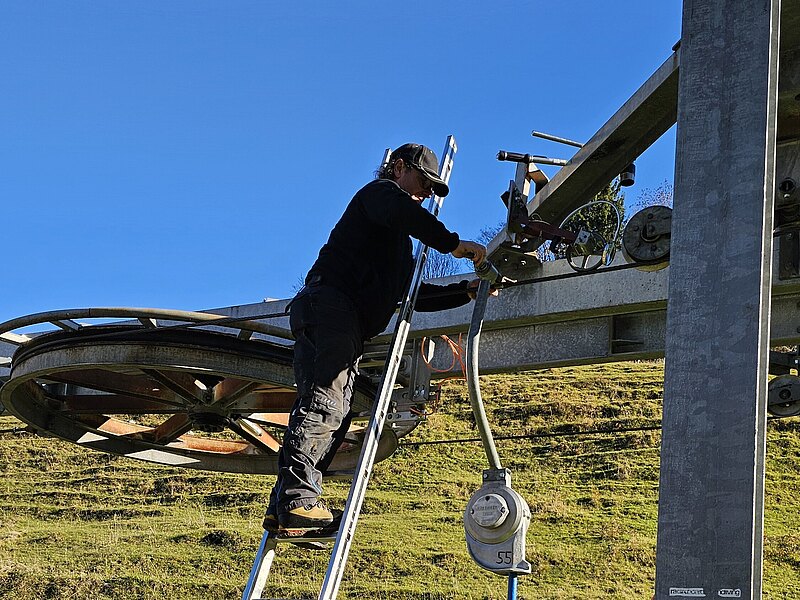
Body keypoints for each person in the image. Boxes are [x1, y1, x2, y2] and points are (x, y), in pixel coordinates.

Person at [265, 142, 488, 534]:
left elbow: (410, 296)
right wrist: (455, 245)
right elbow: (403, 211)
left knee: (336, 411)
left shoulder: (394, 247)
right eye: (423, 182)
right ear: (398, 167)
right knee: (326, 404)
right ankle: (297, 501)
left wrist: (464, 291)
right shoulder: (379, 195)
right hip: (331, 308)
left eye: (432, 189)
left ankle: (286, 507)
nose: (425, 194)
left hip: (342, 320)